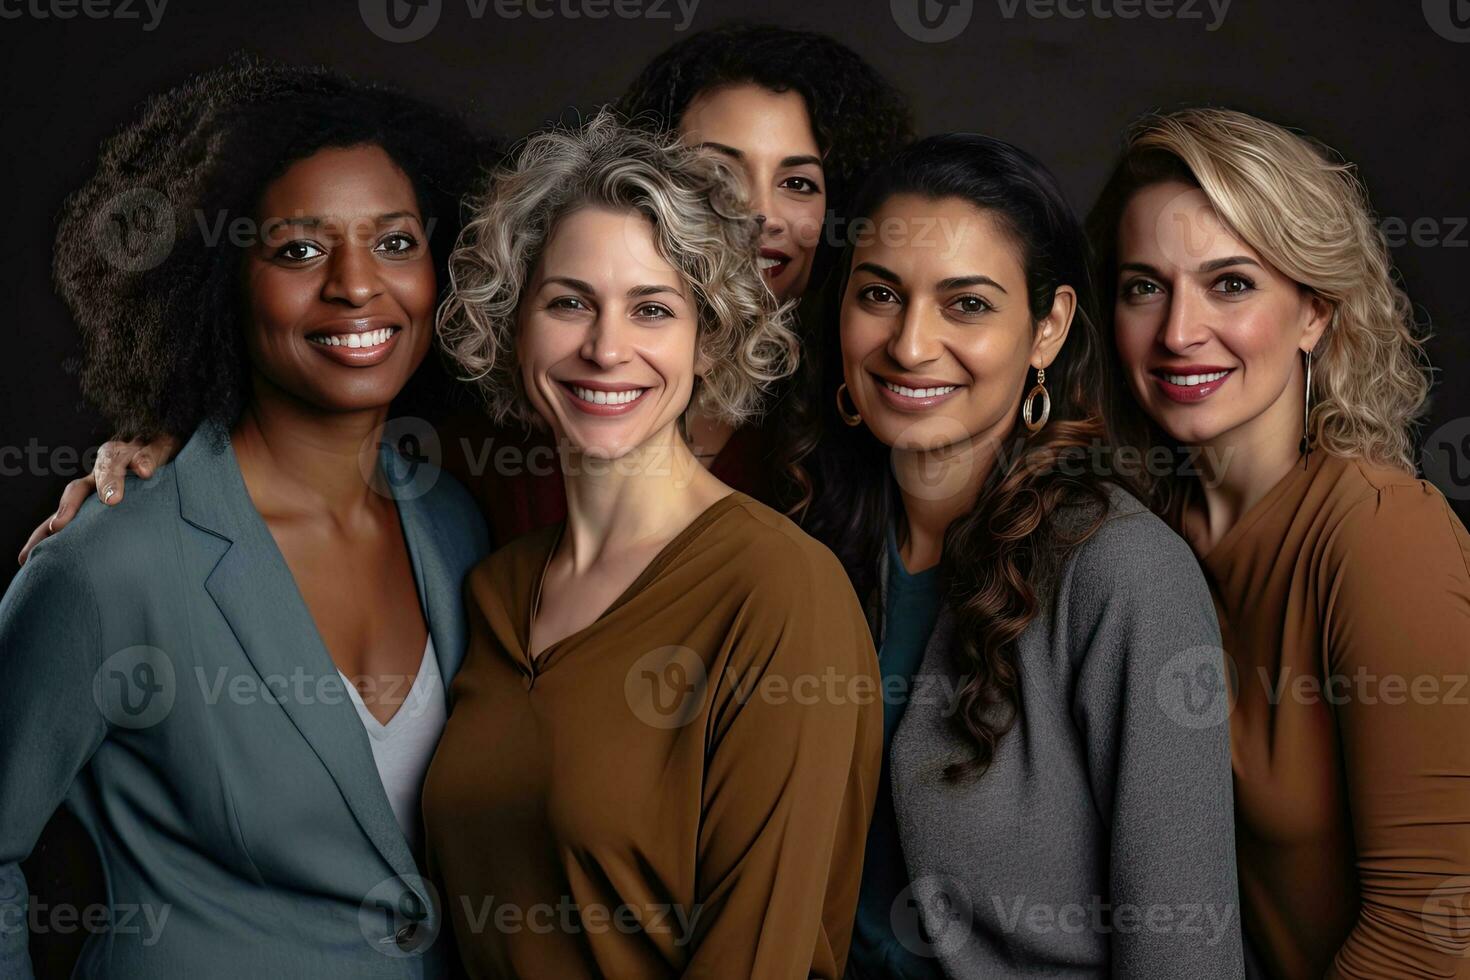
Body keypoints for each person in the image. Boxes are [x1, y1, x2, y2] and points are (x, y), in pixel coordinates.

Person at [22, 24, 914, 552]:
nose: (755, 215)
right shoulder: (504, 396)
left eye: (799, 181)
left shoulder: (865, 419)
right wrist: (182, 445)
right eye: (717, 173)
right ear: (639, 176)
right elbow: (330, 379)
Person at [0, 59, 490, 978]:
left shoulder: (454, 524)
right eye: (299, 251)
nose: (356, 286)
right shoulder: (111, 564)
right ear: (217, 277)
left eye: (393, 242)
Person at [420, 110, 882, 978]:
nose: (605, 349)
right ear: (513, 323)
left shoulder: (780, 591)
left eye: (652, 309)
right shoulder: (490, 589)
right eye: (568, 303)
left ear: (709, 341)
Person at [801, 134, 1244, 977]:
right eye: (880, 295)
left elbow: (1183, 947)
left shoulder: (1123, 573)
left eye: (967, 304)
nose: (910, 344)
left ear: (1048, 329)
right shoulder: (809, 543)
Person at [1088, 106, 1470, 979]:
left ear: (1315, 313)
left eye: (1230, 283)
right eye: (1144, 285)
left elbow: (1436, 934)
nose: (1179, 332)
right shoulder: (1133, 540)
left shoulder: (1380, 535)